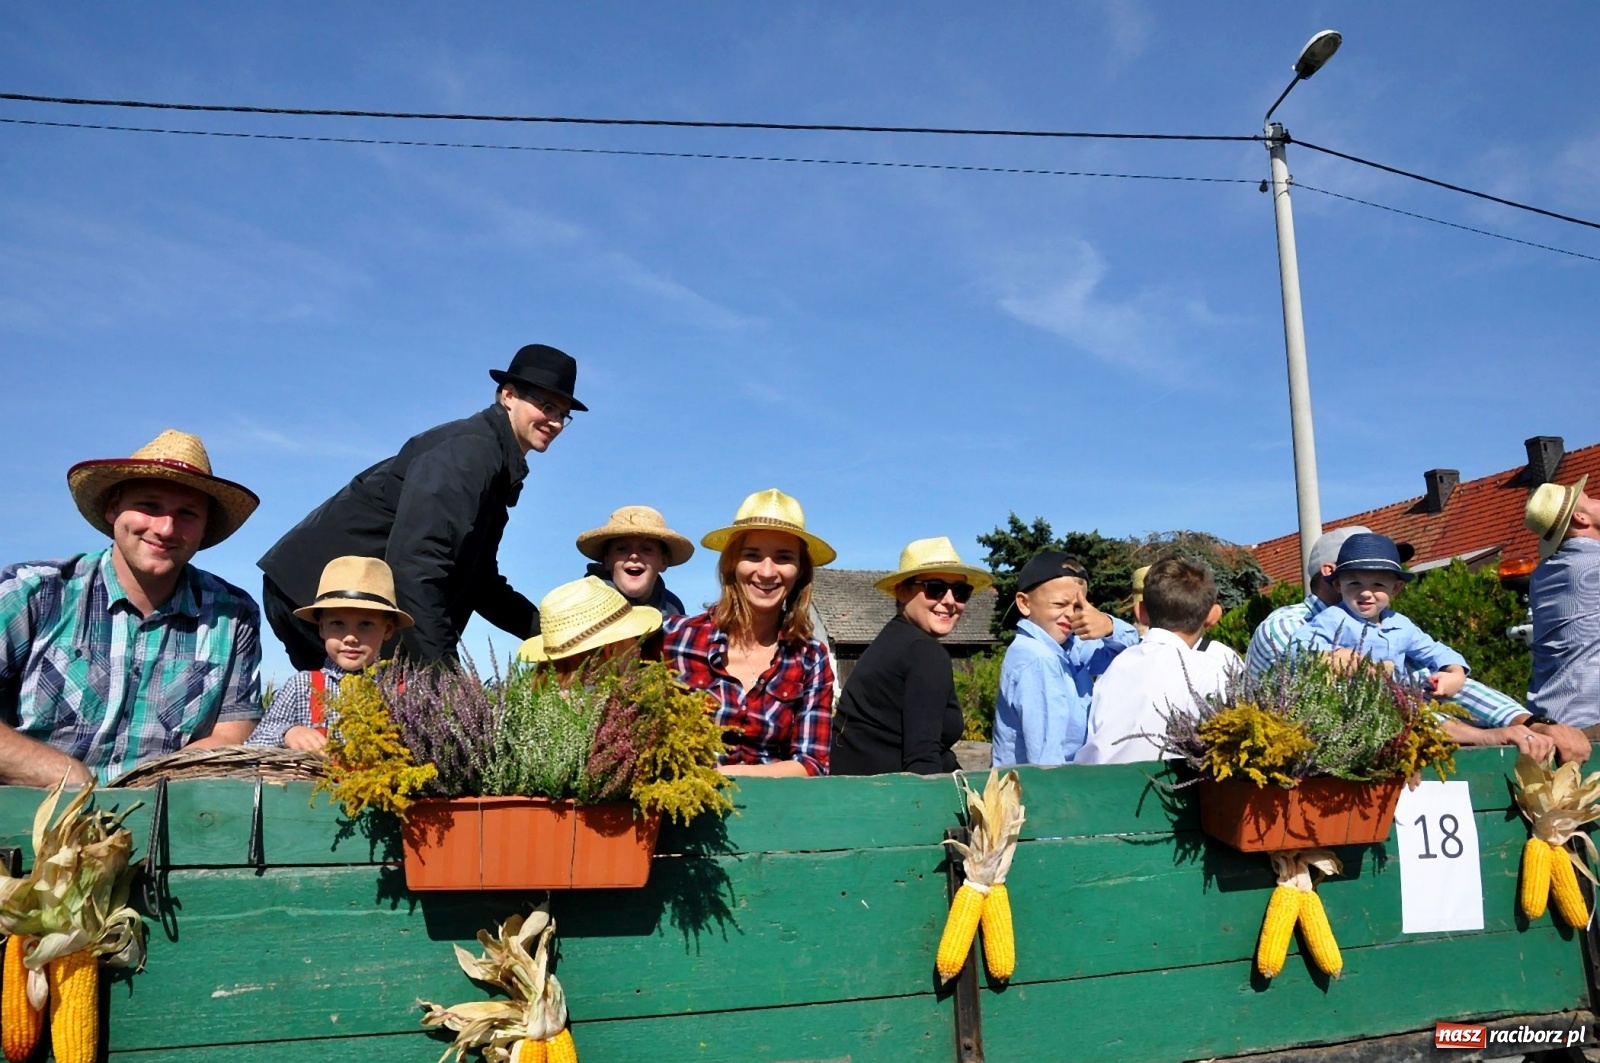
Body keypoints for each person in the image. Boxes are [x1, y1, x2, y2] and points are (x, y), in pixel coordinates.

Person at [258, 344, 585, 667]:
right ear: (508, 395)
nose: (554, 422)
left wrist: (557, 636)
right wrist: (444, 675)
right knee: (360, 709)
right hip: (315, 597)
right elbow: (416, 566)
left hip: (345, 604)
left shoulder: (496, 466)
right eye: (546, 406)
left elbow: (480, 583)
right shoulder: (470, 454)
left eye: (562, 414)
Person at [0, 430, 263, 784]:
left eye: (187, 514)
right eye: (150, 506)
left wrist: (146, 786)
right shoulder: (33, 591)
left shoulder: (233, 615)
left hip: (161, 816)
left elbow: (232, 732)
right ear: (113, 509)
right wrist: (63, 774)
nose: (166, 528)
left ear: (204, 530)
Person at [1247, 526, 1586, 764]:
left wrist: (1528, 723)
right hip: (1310, 766)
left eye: (1385, 577)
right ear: (1333, 574)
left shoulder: (1390, 624)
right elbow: (1362, 700)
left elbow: (1430, 677)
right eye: (1362, 575)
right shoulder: (1290, 625)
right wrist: (1480, 736)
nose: (1372, 588)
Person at [661, 489, 835, 777]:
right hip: (681, 814)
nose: (767, 572)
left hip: (774, 815)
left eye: (783, 557)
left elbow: (812, 763)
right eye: (752, 555)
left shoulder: (810, 658)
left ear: (800, 570)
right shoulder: (674, 638)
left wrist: (719, 777)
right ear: (731, 563)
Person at [830, 537, 992, 776]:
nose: (949, 601)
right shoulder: (923, 652)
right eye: (935, 588)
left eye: (960, 591)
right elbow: (922, 762)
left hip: (857, 794)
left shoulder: (889, 642)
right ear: (902, 591)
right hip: (892, 802)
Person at [1077, 558, 1242, 764]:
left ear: (1140, 612)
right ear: (1211, 616)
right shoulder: (1212, 670)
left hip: (1099, 786)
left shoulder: (1117, 666)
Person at [247, 556, 413, 751]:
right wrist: (289, 733)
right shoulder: (302, 686)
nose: (350, 637)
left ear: (388, 630)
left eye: (366, 624)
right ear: (321, 628)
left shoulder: (403, 692)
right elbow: (254, 745)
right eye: (338, 624)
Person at [991, 551, 1138, 767]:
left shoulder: (1071, 647)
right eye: (1059, 605)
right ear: (1024, 603)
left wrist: (1109, 626)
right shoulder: (1039, 659)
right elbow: (1046, 758)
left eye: (1078, 606)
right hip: (1040, 791)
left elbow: (1132, 656)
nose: (1070, 614)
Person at [1290, 533, 1470, 694]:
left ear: (1396, 588)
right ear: (1338, 585)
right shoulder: (1333, 618)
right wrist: (1337, 656)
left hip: (1399, 704)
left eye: (1378, 585)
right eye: (1355, 584)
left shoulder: (1401, 625)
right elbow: (1297, 648)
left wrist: (1455, 673)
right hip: (1353, 706)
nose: (1366, 593)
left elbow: (1436, 651)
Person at [1525, 476, 1600, 728]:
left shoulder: (1544, 573)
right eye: (1590, 500)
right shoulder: (1593, 565)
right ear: (1581, 518)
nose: (1598, 500)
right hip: (1591, 722)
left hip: (1552, 717)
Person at [518, 576, 664, 684]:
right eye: (635, 637)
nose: (639, 646)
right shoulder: (607, 713)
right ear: (610, 649)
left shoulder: (536, 703)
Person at [575, 506, 694, 617]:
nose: (634, 556)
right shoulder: (580, 604)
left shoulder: (673, 608)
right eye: (622, 549)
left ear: (663, 562)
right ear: (607, 561)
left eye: (647, 549)